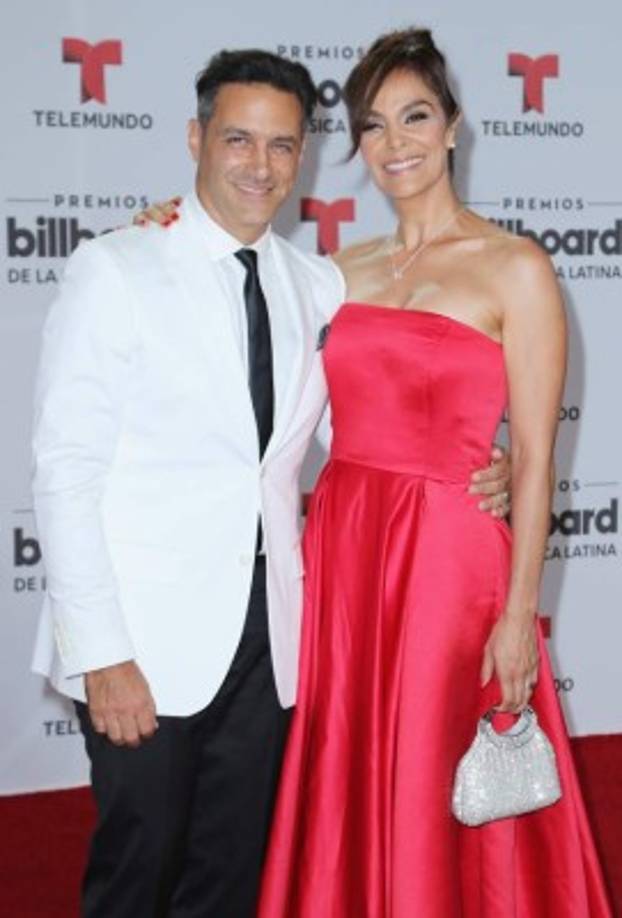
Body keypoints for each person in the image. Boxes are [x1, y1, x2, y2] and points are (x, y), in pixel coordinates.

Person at [30, 47, 511, 918]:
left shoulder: (317, 283)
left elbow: (365, 426)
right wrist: (100, 655)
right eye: (239, 141)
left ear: (304, 157)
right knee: (137, 874)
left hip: (275, 642)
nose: (260, 166)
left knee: (231, 877)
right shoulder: (119, 267)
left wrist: (480, 463)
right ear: (196, 139)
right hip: (145, 645)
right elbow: (63, 473)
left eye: (282, 146)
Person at [255, 29, 613, 918]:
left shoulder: (516, 268)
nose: (396, 143)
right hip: (345, 553)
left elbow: (534, 461)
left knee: (440, 771)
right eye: (373, 126)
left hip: (453, 566)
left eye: (415, 116)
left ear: (453, 128)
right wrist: (162, 221)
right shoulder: (338, 273)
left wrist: (520, 613)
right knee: (353, 762)